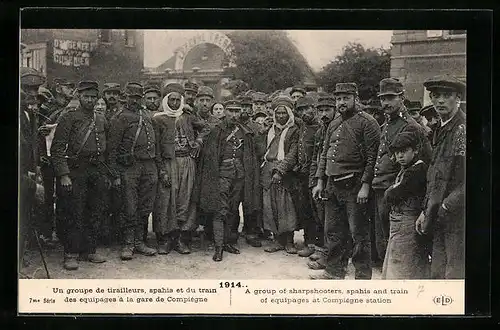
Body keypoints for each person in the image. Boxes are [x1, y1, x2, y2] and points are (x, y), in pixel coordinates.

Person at [311, 83, 381, 280]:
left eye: (346, 98)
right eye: (339, 99)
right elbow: (324, 154)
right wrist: (319, 181)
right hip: (333, 186)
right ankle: (334, 271)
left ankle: (362, 276)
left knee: (359, 234)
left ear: (355, 98)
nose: (341, 102)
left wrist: (366, 185)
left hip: (355, 186)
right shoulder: (333, 123)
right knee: (333, 231)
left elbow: (372, 157)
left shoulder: (368, 123)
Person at [371, 78, 432, 270]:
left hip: (398, 193)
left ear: (402, 98)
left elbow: (423, 163)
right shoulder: (387, 124)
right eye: (383, 99)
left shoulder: (411, 127)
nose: (385, 103)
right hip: (381, 187)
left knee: (398, 242)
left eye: (390, 98)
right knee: (384, 236)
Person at [50, 81, 110, 270]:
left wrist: (105, 173)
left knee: (95, 210)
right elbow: (57, 149)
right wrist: (64, 174)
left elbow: (105, 149)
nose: (90, 100)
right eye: (86, 97)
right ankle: (71, 253)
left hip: (96, 169)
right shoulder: (69, 118)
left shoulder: (101, 119)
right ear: (79, 97)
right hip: (76, 170)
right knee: (74, 212)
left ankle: (89, 250)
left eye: (93, 97)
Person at [194, 99, 261, 262]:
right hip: (221, 176)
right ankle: (218, 247)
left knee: (232, 209)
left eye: (237, 111)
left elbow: (249, 156)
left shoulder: (244, 131)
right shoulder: (217, 131)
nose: (234, 114)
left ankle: (228, 242)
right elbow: (210, 159)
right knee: (220, 210)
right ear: (225, 112)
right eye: (230, 110)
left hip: (239, 176)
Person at [416, 75, 466, 279]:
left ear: (458, 98)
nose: (440, 101)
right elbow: (434, 176)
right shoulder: (440, 129)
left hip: (457, 215)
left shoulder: (462, 129)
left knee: (454, 273)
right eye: (436, 96)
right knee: (437, 271)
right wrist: (425, 210)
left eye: (447, 95)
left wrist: (446, 206)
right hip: (437, 213)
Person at [107, 82, 158, 260]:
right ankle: (128, 244)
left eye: (137, 97)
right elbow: (112, 149)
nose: (134, 100)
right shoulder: (120, 118)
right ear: (125, 97)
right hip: (130, 167)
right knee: (129, 206)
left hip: (149, 165)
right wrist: (114, 174)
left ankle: (139, 241)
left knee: (145, 206)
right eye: (131, 97)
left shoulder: (145, 114)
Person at [152, 83, 201, 255]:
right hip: (168, 163)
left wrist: (198, 142)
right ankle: (165, 239)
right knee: (166, 201)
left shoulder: (187, 116)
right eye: (171, 99)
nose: (174, 103)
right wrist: (161, 170)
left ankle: (181, 239)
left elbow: (206, 127)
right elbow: (156, 147)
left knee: (185, 201)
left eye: (177, 99)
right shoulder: (158, 119)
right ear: (165, 100)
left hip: (187, 162)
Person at [382, 132, 430, 279]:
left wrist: (390, 190)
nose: (400, 156)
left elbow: (395, 194)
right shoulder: (408, 168)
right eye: (397, 153)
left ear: (415, 150)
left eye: (404, 152)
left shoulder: (417, 170)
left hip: (406, 221)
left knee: (401, 263)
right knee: (397, 259)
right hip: (399, 220)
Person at [261, 95, 299, 254]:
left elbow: (293, 153)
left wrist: (280, 170)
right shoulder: (269, 130)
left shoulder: (294, 130)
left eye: (284, 113)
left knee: (286, 206)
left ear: (289, 114)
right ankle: (277, 239)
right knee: (270, 206)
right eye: (278, 113)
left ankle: (289, 240)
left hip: (285, 172)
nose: (281, 116)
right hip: (268, 169)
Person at [307, 96, 337, 270]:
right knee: (321, 217)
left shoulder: (337, 129)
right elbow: (315, 158)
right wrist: (313, 180)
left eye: (328, 110)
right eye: (321, 110)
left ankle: (330, 256)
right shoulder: (320, 131)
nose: (324, 114)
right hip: (319, 179)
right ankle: (324, 250)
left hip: (332, 179)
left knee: (332, 221)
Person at [291, 95, 320, 257]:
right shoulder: (303, 125)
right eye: (300, 110)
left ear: (314, 108)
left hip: (315, 175)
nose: (304, 113)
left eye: (306, 108)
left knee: (318, 211)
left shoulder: (320, 127)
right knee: (306, 210)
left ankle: (319, 245)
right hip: (303, 174)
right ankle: (309, 242)